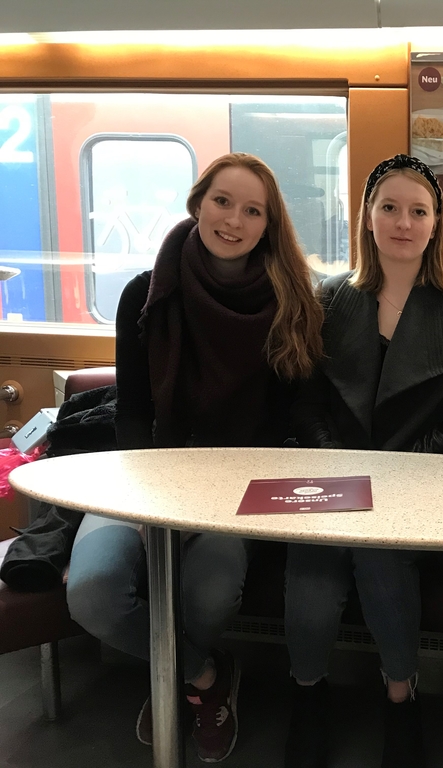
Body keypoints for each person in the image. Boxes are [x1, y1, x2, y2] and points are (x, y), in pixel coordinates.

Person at [65, 152, 324, 762]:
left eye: (252, 210)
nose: (233, 220)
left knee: (210, 591)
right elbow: (132, 412)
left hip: (240, 490)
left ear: (269, 224)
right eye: (222, 201)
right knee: (94, 591)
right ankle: (201, 676)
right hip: (147, 475)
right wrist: (150, 499)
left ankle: (174, 678)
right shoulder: (146, 294)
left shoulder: (293, 302)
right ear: (197, 203)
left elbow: (299, 422)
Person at [285, 154, 443, 768]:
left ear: (436, 224)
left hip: (423, 482)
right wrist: (342, 471)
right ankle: (307, 694)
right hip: (334, 479)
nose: (404, 222)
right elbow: (308, 406)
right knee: (313, 559)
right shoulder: (331, 296)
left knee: (379, 551)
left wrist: (393, 477)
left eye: (418, 211)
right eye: (390, 208)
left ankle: (401, 696)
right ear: (368, 220)